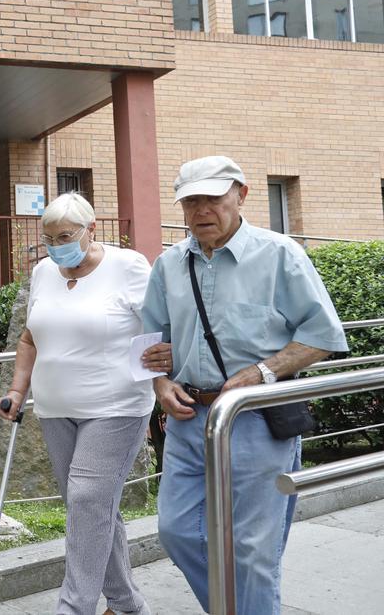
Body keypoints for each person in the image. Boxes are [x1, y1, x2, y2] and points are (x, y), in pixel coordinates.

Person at [140, 156, 348, 614]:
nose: (200, 210)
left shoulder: (279, 254)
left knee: (252, 549)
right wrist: (158, 383)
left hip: (255, 419)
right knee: (176, 531)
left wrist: (261, 372)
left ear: (241, 194)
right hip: (189, 417)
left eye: (212, 197)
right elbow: (150, 340)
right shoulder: (170, 264)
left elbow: (322, 336)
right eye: (190, 200)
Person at [0, 192, 160, 615]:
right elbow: (29, 337)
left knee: (88, 499)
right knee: (92, 505)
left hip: (116, 406)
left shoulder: (128, 267)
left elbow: (160, 331)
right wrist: (18, 390)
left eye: (64, 236)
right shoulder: (42, 272)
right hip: (55, 408)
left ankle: (75, 606)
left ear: (91, 230)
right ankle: (127, 604)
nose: (55, 247)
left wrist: (162, 386)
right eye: (48, 239)